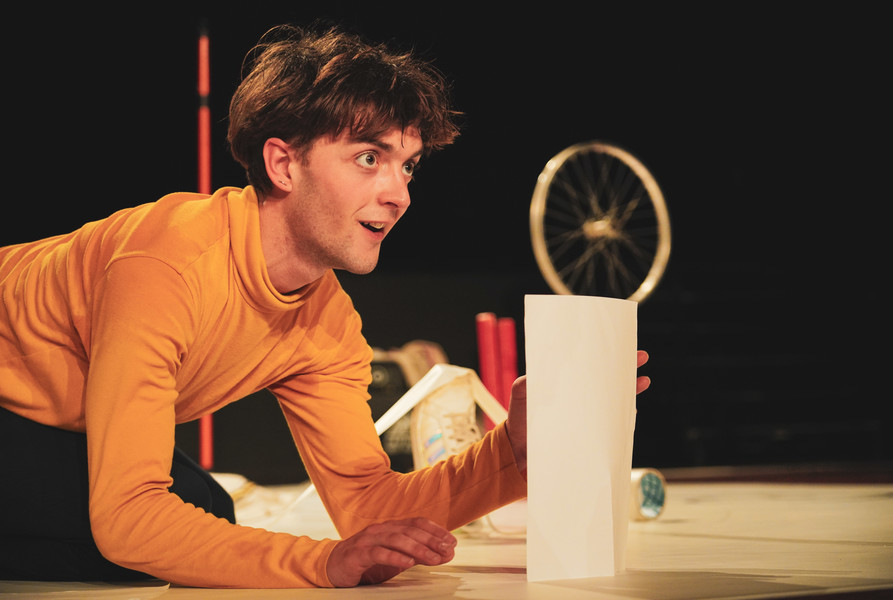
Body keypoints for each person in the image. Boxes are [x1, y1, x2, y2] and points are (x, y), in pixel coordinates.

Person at [0, 24, 651, 588]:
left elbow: (367, 505)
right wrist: (321, 563)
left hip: (55, 425)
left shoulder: (328, 321)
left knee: (202, 514)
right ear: (284, 164)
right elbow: (129, 518)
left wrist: (512, 451)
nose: (399, 194)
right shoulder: (168, 264)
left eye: (408, 166)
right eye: (370, 158)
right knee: (154, 535)